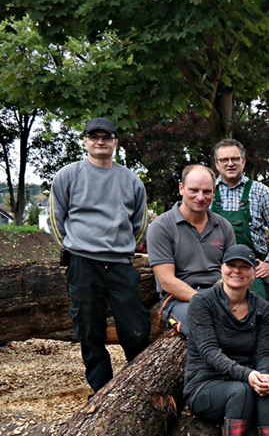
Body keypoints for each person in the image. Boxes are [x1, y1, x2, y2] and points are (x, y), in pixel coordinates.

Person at [48, 117, 152, 393]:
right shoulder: (67, 176)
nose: (100, 142)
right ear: (85, 141)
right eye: (94, 137)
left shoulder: (131, 180)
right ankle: (101, 387)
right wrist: (72, 248)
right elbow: (55, 218)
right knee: (89, 328)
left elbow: (140, 222)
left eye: (106, 137)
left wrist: (125, 248)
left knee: (134, 326)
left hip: (119, 262)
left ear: (115, 142)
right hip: (83, 262)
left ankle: (137, 384)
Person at [183, 245, 269, 436]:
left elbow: (265, 353)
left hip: (245, 381)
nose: (237, 271)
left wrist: (265, 375)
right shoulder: (203, 303)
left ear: (253, 272)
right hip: (205, 384)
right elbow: (209, 352)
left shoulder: (262, 308)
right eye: (231, 265)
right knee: (241, 391)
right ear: (222, 268)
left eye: (244, 267)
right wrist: (248, 375)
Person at [148, 165, 236, 336]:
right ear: (181, 188)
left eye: (207, 191)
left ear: (214, 192)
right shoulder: (161, 227)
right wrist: (205, 301)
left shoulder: (223, 226)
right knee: (206, 325)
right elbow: (166, 280)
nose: (200, 197)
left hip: (220, 293)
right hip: (179, 299)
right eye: (194, 190)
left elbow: (232, 271)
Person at [211, 139, 269, 301]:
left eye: (235, 159)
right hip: (214, 268)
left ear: (243, 162)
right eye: (224, 160)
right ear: (217, 164)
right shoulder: (207, 192)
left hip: (251, 268)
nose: (230, 163)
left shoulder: (260, 192)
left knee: (258, 310)